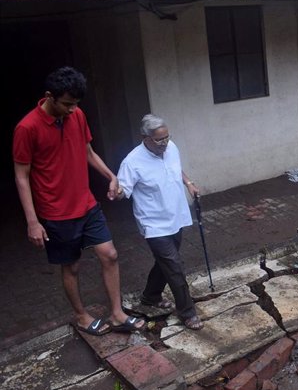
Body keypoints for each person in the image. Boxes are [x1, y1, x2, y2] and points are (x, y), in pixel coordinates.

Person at [13, 66, 145, 336]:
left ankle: (117, 314)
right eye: (67, 104)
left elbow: (88, 151)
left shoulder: (77, 115)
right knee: (71, 266)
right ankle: (82, 316)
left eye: (76, 104)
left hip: (86, 204)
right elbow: (22, 176)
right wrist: (32, 222)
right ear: (50, 96)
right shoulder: (27, 128)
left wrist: (111, 176)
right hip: (56, 212)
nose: (72, 110)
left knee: (110, 254)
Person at [116, 114, 204, 330]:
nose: (164, 143)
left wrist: (189, 183)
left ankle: (150, 296)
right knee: (174, 266)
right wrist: (115, 190)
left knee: (165, 262)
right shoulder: (132, 162)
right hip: (154, 223)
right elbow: (122, 191)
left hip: (176, 215)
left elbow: (176, 167)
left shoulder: (170, 147)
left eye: (166, 138)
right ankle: (187, 312)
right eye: (159, 140)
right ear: (145, 138)